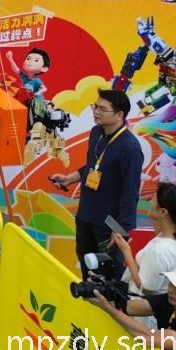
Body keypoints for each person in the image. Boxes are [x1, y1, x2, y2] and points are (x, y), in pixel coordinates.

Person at [51, 89, 145, 267]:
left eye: (102, 109)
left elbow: (130, 192)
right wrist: (69, 178)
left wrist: (121, 231)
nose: (96, 112)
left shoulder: (130, 148)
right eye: (95, 106)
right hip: (85, 215)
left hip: (108, 225)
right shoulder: (96, 132)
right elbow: (93, 166)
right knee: (86, 266)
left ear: (119, 115)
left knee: (106, 272)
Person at [113, 181, 176, 296]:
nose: (150, 200)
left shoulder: (158, 251)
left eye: (154, 199)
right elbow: (162, 230)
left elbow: (146, 289)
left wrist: (126, 252)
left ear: (163, 212)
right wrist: (156, 219)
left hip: (142, 304)